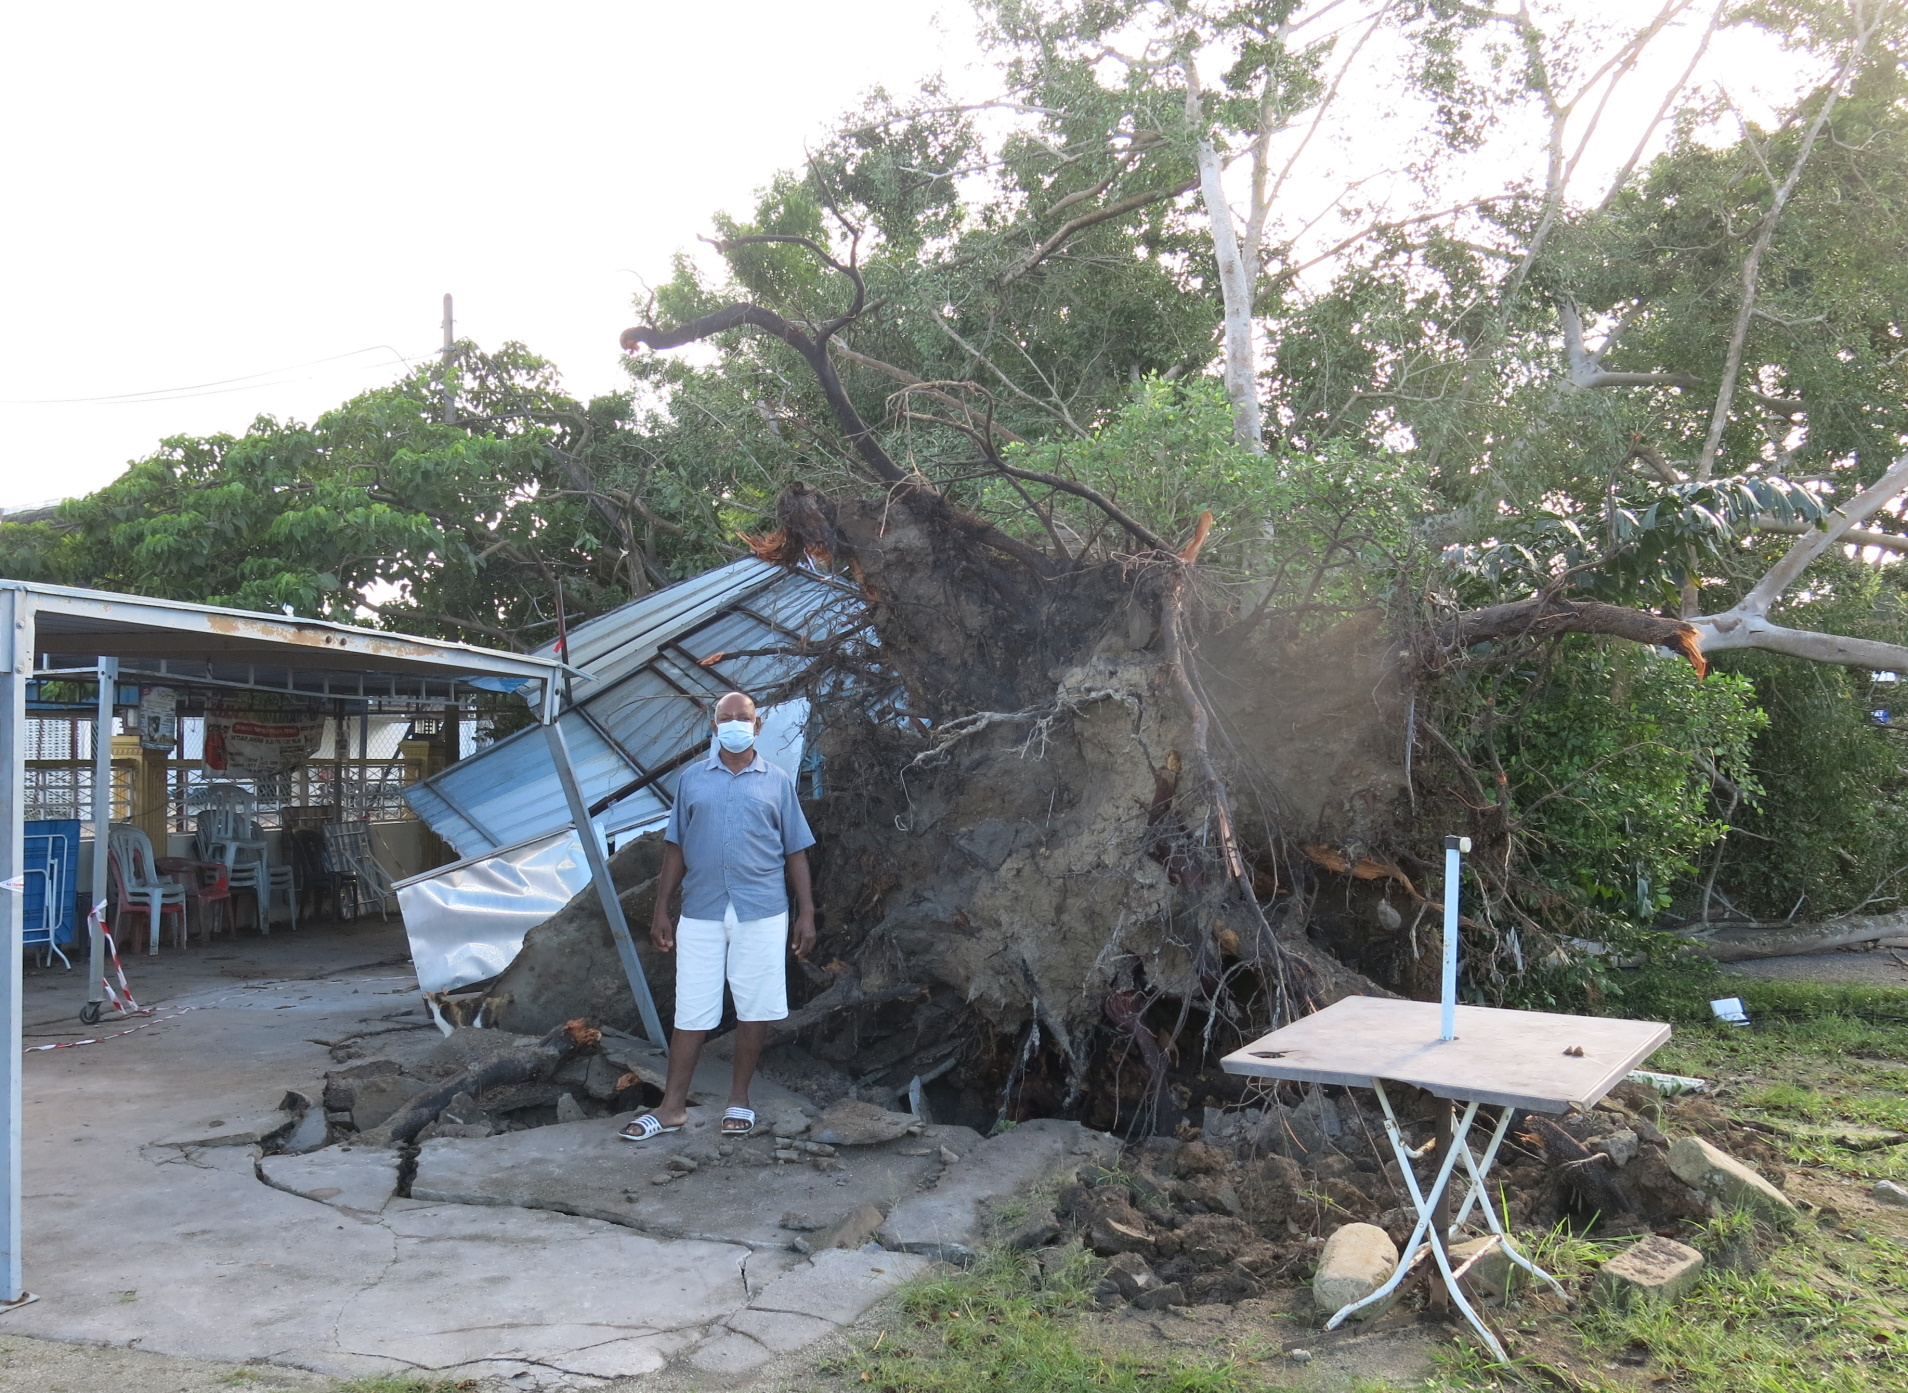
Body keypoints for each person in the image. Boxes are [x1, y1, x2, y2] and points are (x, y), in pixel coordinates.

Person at [620, 690, 816, 1141]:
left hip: (763, 910)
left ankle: (739, 1101)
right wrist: (661, 909)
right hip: (702, 909)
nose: (733, 725)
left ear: (757, 726)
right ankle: (671, 1109)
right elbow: (675, 847)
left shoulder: (778, 781)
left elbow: (796, 851)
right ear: (714, 727)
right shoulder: (693, 780)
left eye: (741, 718)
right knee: (691, 1008)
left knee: (754, 1008)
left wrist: (806, 912)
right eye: (725, 718)